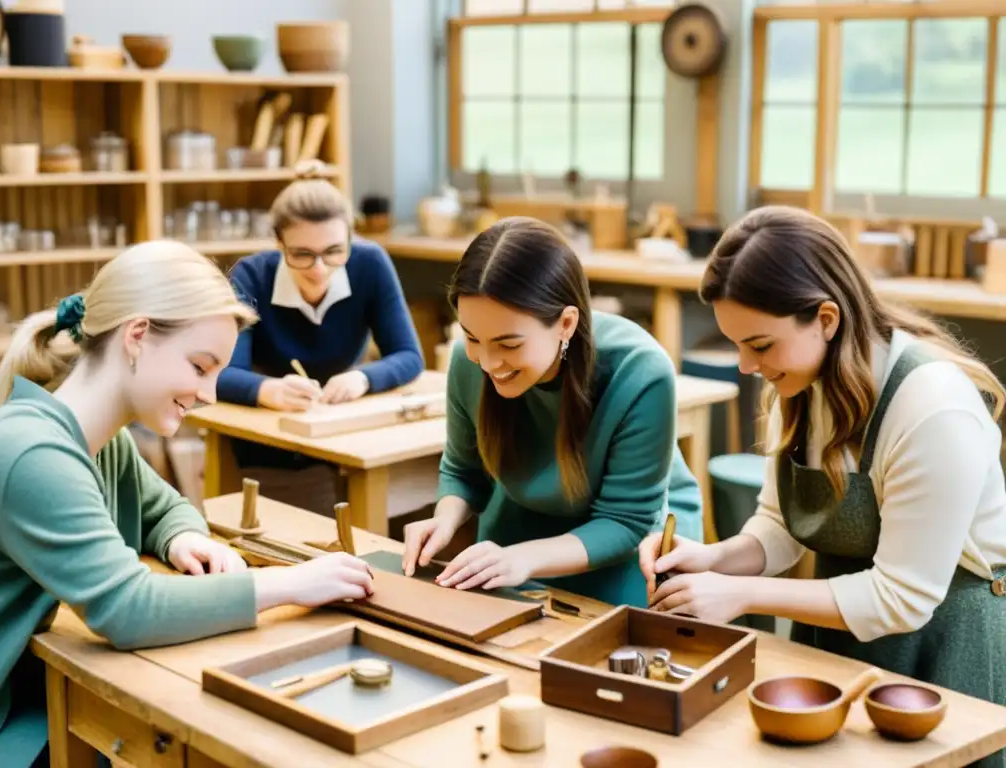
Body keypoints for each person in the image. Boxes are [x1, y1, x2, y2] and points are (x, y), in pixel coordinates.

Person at [0, 241, 375, 768]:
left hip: (16, 686)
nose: (210, 393)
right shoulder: (34, 453)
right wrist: (288, 584)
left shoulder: (102, 439)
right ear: (138, 336)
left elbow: (165, 509)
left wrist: (183, 537)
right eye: (200, 366)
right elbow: (127, 609)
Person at [639, 206, 1006, 759]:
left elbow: (902, 598)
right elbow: (781, 527)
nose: (744, 366)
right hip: (836, 632)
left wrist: (739, 594)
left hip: (940, 646)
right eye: (737, 344)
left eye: (759, 345)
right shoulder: (800, 384)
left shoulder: (932, 407)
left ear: (827, 319)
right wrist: (712, 561)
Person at [400, 217, 703, 607]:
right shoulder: (467, 361)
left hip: (629, 550)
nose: (489, 362)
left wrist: (522, 558)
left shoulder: (641, 372)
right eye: (473, 337)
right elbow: (462, 470)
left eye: (508, 344)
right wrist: (444, 520)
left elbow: (626, 521)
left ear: (565, 323)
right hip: (515, 535)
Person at [216, 160, 425, 515]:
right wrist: (269, 390)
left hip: (348, 431)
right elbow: (221, 373)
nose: (319, 269)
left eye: (333, 252)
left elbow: (409, 355)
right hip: (273, 444)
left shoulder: (370, 263)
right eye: (302, 254)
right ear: (279, 243)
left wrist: (362, 378)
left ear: (350, 237)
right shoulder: (252, 276)